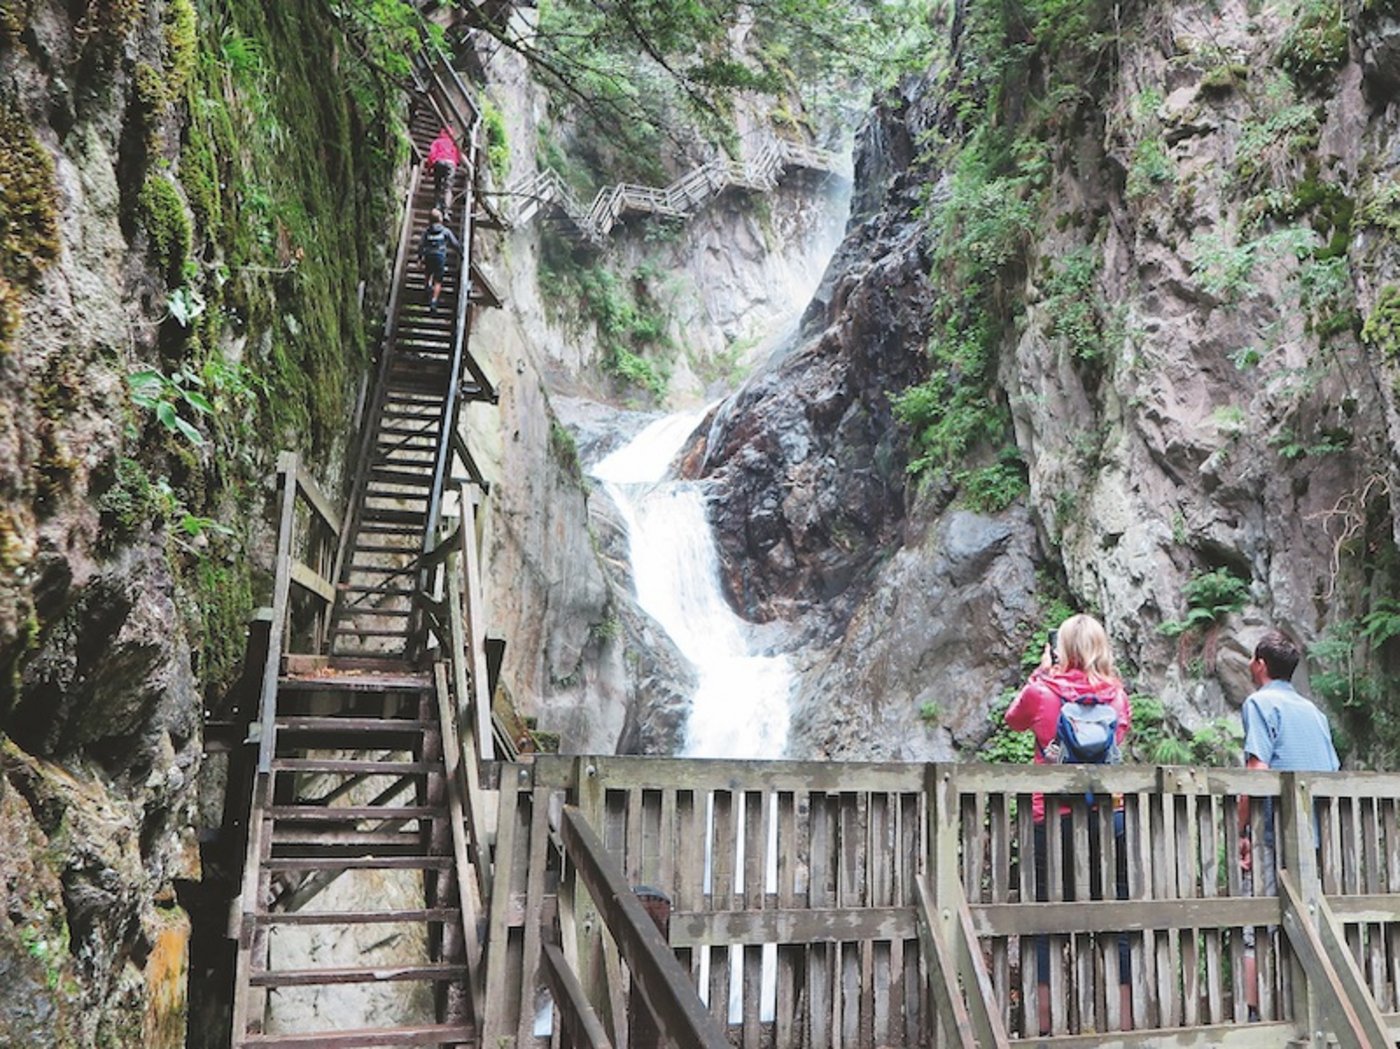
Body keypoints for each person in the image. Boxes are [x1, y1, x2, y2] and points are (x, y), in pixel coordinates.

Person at [1005, 613, 1133, 1035]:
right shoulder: (1116, 696)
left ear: (1060, 648)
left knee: (1044, 921)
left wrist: (1042, 672)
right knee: (1117, 919)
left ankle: (1045, 1030)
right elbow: (1117, 739)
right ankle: (1124, 1026)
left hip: (1052, 817)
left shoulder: (1042, 691)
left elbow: (1013, 721)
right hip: (1107, 817)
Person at [1236, 629, 1339, 1020]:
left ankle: (1256, 1013)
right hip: (1314, 835)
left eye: (1252, 658)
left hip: (1272, 828)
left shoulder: (1259, 703)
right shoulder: (1315, 713)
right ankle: (1307, 1010)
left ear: (1260, 664)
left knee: (1257, 920)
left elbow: (1257, 770)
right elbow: (1331, 772)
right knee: (1308, 917)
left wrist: (1242, 830)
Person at [417, 208, 463, 314]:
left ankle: (427, 287)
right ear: (440, 219)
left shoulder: (426, 231)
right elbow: (455, 244)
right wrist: (461, 254)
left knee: (428, 273)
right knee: (438, 280)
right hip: (439, 257)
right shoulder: (445, 231)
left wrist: (419, 258)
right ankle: (434, 301)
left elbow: (421, 245)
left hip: (428, 255)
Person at [425, 127, 462, 215]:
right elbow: (457, 157)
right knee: (448, 188)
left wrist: (429, 170)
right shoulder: (453, 143)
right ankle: (446, 211)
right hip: (450, 163)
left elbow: (431, 155)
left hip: (439, 162)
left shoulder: (437, 142)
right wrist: (455, 165)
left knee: (438, 186)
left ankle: (437, 206)